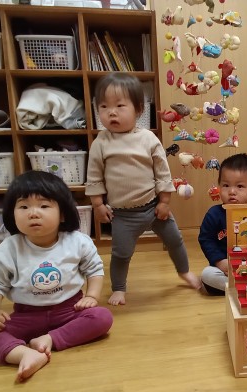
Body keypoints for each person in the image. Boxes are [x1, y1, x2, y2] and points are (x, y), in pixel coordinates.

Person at [0, 171, 113, 382]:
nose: (33, 213)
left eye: (44, 206)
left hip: (70, 310)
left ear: (62, 214)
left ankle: (49, 340)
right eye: (23, 207)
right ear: (12, 214)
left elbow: (94, 269)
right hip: (27, 316)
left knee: (102, 317)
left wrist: (92, 296)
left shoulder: (78, 242)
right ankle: (24, 354)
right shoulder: (7, 250)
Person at [86, 73, 200, 306]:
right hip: (122, 214)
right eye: (104, 107)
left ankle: (184, 271)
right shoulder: (101, 142)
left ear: (138, 109)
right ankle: (119, 288)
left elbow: (162, 173)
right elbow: (94, 176)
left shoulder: (148, 138)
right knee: (121, 253)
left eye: (119, 106)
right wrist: (98, 204)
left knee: (175, 240)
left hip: (154, 208)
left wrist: (164, 202)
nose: (111, 112)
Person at [198, 153, 247, 295]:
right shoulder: (214, 214)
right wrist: (219, 261)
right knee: (208, 274)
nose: (231, 191)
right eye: (225, 185)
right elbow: (206, 240)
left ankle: (242, 287)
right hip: (226, 268)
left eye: (240, 186)